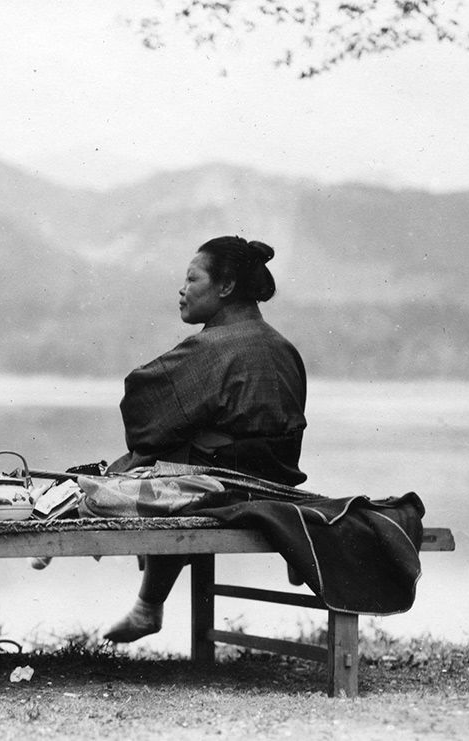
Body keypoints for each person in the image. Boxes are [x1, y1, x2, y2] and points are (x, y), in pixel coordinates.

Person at [103, 235, 308, 643]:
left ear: (226, 287)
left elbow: (143, 403)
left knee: (146, 458)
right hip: (278, 480)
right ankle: (147, 606)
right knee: (173, 443)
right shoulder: (284, 347)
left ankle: (147, 605)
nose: (182, 289)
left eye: (192, 279)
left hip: (227, 485)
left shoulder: (214, 346)